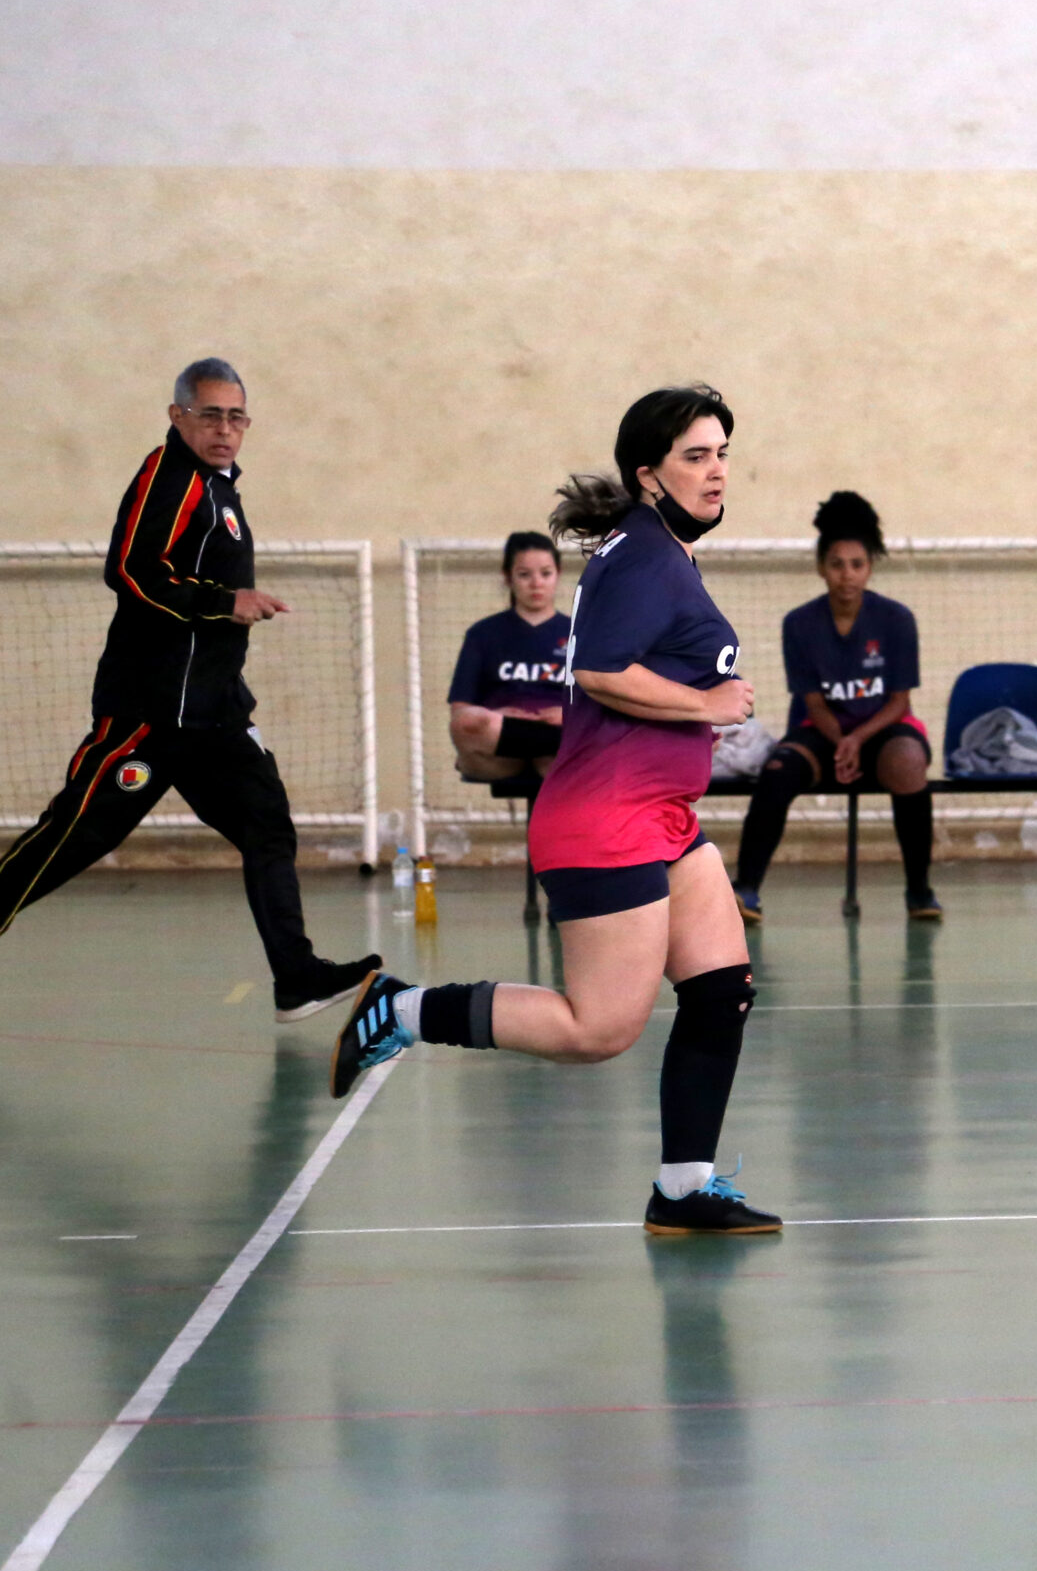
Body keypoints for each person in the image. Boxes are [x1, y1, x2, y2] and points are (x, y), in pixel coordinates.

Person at [330, 385, 778, 1236]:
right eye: (696, 456)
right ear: (649, 474)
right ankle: (400, 1008)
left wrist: (698, 708)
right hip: (606, 816)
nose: (717, 470)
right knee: (597, 1029)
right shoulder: (645, 554)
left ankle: (684, 1190)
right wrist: (709, 705)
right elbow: (604, 671)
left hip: (661, 815)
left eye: (721, 452)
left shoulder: (659, 547)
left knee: (722, 992)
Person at [0, 358, 377, 1022]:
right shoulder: (170, 476)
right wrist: (223, 600)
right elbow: (132, 571)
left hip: (212, 716)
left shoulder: (220, 489)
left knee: (267, 828)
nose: (224, 429)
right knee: (76, 836)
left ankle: (297, 977)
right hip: (150, 711)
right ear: (179, 417)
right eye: (210, 415)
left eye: (236, 417)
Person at [730, 492, 937, 922]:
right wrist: (842, 742)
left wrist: (858, 739)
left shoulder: (897, 619)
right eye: (837, 564)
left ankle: (919, 891)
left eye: (857, 565)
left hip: (884, 727)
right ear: (821, 567)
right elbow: (812, 701)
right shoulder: (799, 624)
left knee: (908, 761)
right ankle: (746, 890)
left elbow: (900, 701)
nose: (848, 575)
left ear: (870, 567)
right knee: (777, 772)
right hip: (821, 730)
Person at [448, 531, 571, 781]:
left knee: (591, 725)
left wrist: (569, 713)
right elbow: (460, 709)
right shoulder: (482, 634)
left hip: (563, 736)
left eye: (545, 573)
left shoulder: (582, 633)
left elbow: (602, 702)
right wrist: (500, 717)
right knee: (466, 723)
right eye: (525, 575)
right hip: (499, 746)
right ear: (508, 578)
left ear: (557, 575)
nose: (536, 583)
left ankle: (547, 752)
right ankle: (537, 748)